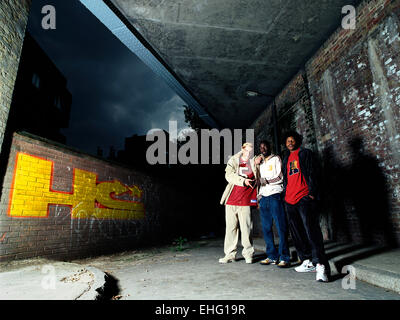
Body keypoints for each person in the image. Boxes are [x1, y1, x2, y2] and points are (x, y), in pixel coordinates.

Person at [282, 131, 330, 282]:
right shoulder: (286, 158)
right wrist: (285, 196)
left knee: (312, 232)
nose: (290, 142)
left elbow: (314, 174)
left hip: (304, 197)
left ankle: (321, 266)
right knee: (297, 233)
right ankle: (307, 260)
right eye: (287, 141)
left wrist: (312, 193)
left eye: (292, 140)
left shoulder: (305, 154)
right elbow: (286, 178)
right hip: (290, 200)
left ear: (297, 141)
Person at [219, 142, 257, 264]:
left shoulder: (254, 161)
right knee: (231, 228)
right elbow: (228, 175)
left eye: (251, 151)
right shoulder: (234, 160)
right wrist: (243, 181)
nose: (249, 152)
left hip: (245, 200)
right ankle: (230, 255)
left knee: (246, 228)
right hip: (232, 200)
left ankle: (248, 254)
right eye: (247, 150)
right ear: (242, 149)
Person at [254, 140, 291, 267]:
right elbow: (258, 182)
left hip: (275, 195)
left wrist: (266, 181)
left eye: (265, 146)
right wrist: (259, 197)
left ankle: (284, 257)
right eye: (261, 147)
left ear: (269, 147)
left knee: (281, 227)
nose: (263, 148)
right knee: (266, 228)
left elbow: (281, 177)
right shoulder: (261, 163)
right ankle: (271, 256)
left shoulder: (276, 159)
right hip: (264, 198)